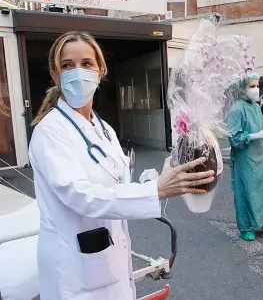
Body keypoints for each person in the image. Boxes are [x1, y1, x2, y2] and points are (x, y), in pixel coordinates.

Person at [28, 31, 215, 300]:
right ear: (55, 75)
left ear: (100, 72)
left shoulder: (103, 129)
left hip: (109, 260)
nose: (77, 72)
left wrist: (166, 175)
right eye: (68, 65)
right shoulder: (50, 132)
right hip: (75, 270)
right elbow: (80, 196)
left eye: (86, 64)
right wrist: (155, 191)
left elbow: (117, 186)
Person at [227, 72, 263, 242]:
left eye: (257, 85)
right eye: (252, 86)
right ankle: (245, 226)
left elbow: (260, 126)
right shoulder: (236, 109)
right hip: (245, 158)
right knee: (246, 191)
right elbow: (234, 139)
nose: (257, 89)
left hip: (261, 155)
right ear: (242, 89)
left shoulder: (256, 106)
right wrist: (255, 136)